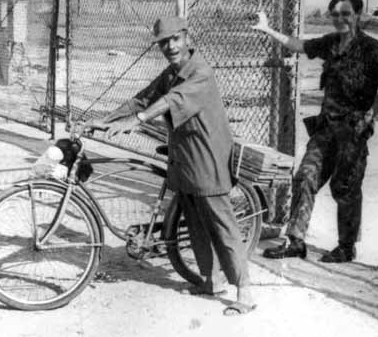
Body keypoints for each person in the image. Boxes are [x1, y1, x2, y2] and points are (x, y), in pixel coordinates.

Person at [85, 16, 256, 315]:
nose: (170, 46)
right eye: (164, 42)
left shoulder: (200, 71)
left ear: (187, 38)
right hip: (184, 155)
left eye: (175, 39)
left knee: (221, 224)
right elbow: (142, 100)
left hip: (207, 155)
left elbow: (171, 101)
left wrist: (136, 122)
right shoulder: (170, 73)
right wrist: (106, 120)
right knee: (194, 219)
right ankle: (211, 281)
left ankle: (245, 291)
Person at [252, 0, 378, 263]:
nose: (340, 19)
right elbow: (299, 45)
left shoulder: (372, 48)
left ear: (358, 15)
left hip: (352, 131)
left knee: (345, 188)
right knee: (305, 176)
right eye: (335, 14)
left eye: (346, 13)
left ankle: (346, 246)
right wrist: (267, 28)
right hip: (325, 129)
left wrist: (369, 116)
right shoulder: (330, 43)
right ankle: (295, 241)